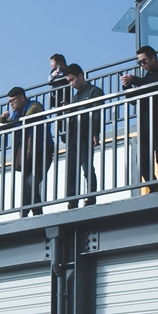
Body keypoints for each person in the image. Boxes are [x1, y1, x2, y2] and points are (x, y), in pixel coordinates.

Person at [121, 46, 158, 192]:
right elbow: (133, 100)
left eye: (144, 61)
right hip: (145, 123)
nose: (142, 65)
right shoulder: (145, 78)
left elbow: (156, 86)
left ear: (153, 58)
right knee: (142, 160)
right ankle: (154, 186)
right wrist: (127, 86)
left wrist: (134, 80)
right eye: (139, 63)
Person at [0, 87, 54, 217]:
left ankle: (31, 213)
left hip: (42, 151)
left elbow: (29, 116)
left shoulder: (35, 105)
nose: (11, 104)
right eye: (10, 101)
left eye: (13, 100)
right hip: (28, 153)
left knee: (32, 182)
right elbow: (5, 126)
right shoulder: (17, 114)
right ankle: (29, 213)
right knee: (27, 185)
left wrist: (15, 120)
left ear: (22, 98)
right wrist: (3, 119)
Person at [63, 64, 104, 208]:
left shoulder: (94, 91)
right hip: (74, 135)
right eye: (69, 81)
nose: (71, 84)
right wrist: (69, 111)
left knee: (87, 167)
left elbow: (97, 113)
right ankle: (72, 200)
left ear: (81, 75)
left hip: (86, 134)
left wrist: (95, 132)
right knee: (71, 169)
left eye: (72, 80)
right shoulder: (75, 97)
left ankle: (90, 197)